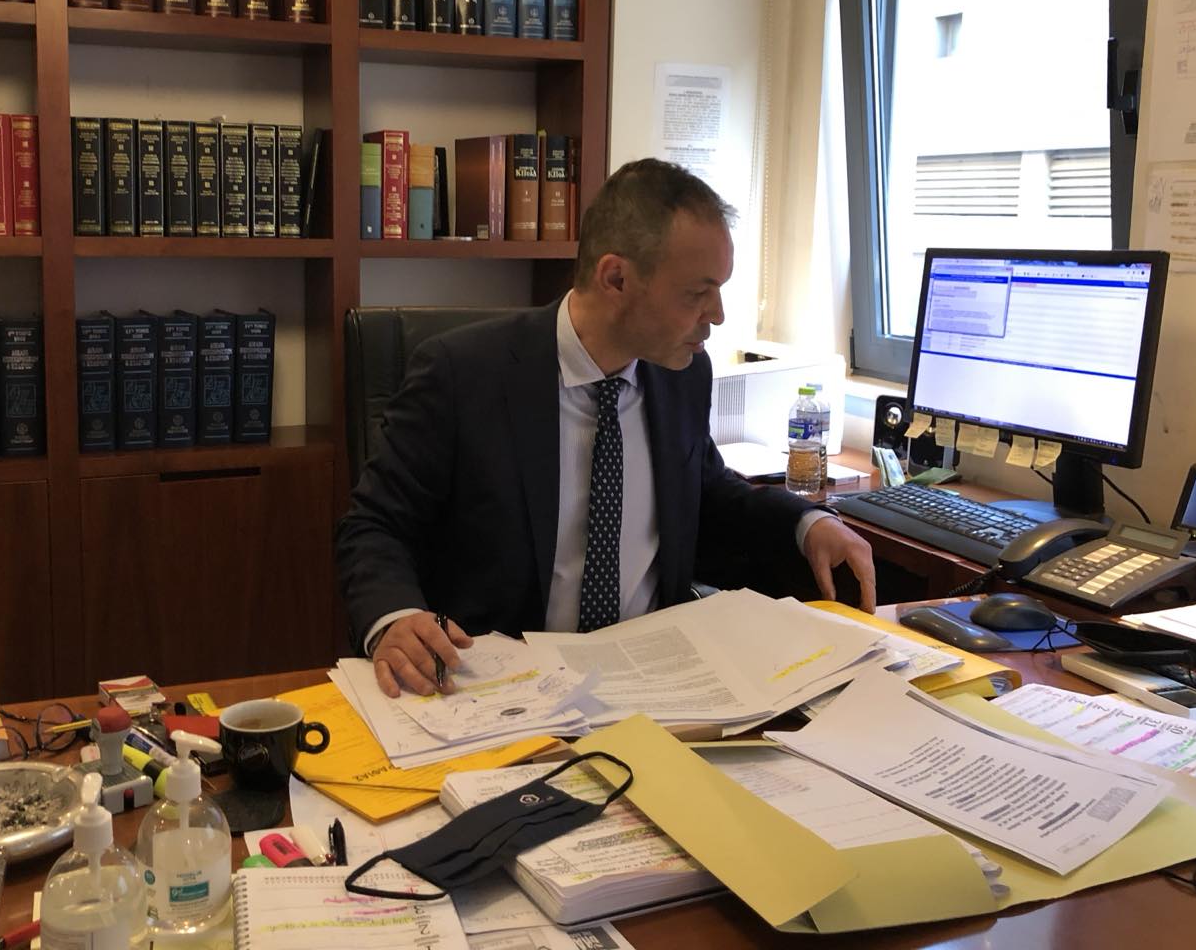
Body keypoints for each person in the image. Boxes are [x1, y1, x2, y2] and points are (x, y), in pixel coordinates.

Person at [336, 158, 877, 697]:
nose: (717, 315)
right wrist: (395, 617)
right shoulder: (463, 374)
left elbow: (706, 493)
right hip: (504, 686)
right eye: (697, 293)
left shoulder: (683, 375)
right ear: (616, 278)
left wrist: (806, 523)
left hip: (654, 679)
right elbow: (376, 524)